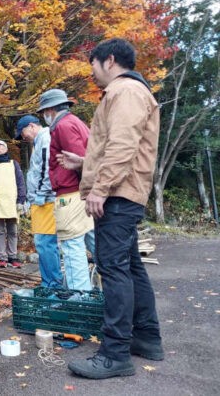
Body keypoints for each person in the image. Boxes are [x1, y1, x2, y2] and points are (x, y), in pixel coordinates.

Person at [65, 38, 163, 379]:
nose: (92, 74)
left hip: (118, 195)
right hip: (125, 191)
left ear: (109, 60)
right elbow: (118, 146)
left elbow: (122, 145)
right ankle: (147, 339)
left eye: (93, 66)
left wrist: (100, 188)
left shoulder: (125, 92)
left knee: (113, 268)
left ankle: (115, 353)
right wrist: (85, 163)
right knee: (131, 266)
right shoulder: (130, 93)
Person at [37, 89, 93, 291]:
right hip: (80, 192)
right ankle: (101, 293)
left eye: (44, 111)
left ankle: (80, 297)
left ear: (50, 109)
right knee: (92, 243)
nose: (44, 116)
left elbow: (78, 159)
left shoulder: (63, 126)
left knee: (72, 247)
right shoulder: (75, 122)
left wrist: (81, 186)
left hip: (70, 193)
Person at [15, 115, 63, 288]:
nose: (23, 138)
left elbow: (47, 168)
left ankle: (53, 284)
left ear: (31, 126)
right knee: (43, 243)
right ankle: (49, 282)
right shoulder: (40, 141)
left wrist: (41, 195)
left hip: (46, 201)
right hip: (41, 200)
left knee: (45, 243)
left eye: (22, 134)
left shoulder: (45, 138)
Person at [0, 140, 26, 268]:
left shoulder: (14, 164)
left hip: (11, 202)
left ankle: (12, 256)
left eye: (0, 146)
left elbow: (20, 182)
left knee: (13, 230)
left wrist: (21, 200)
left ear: (6, 149)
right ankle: (2, 257)